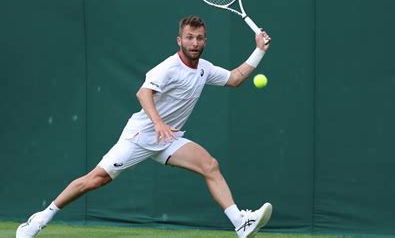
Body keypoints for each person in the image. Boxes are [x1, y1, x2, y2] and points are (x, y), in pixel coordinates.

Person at [16, 15, 272, 238]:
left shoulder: (204, 69)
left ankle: (241, 223)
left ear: (205, 41)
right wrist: (158, 123)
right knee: (95, 180)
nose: (195, 43)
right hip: (141, 135)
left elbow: (236, 78)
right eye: (190, 37)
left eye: (200, 38)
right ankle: (38, 220)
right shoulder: (168, 68)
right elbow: (143, 93)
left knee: (210, 165)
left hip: (168, 138)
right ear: (179, 41)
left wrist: (259, 50)